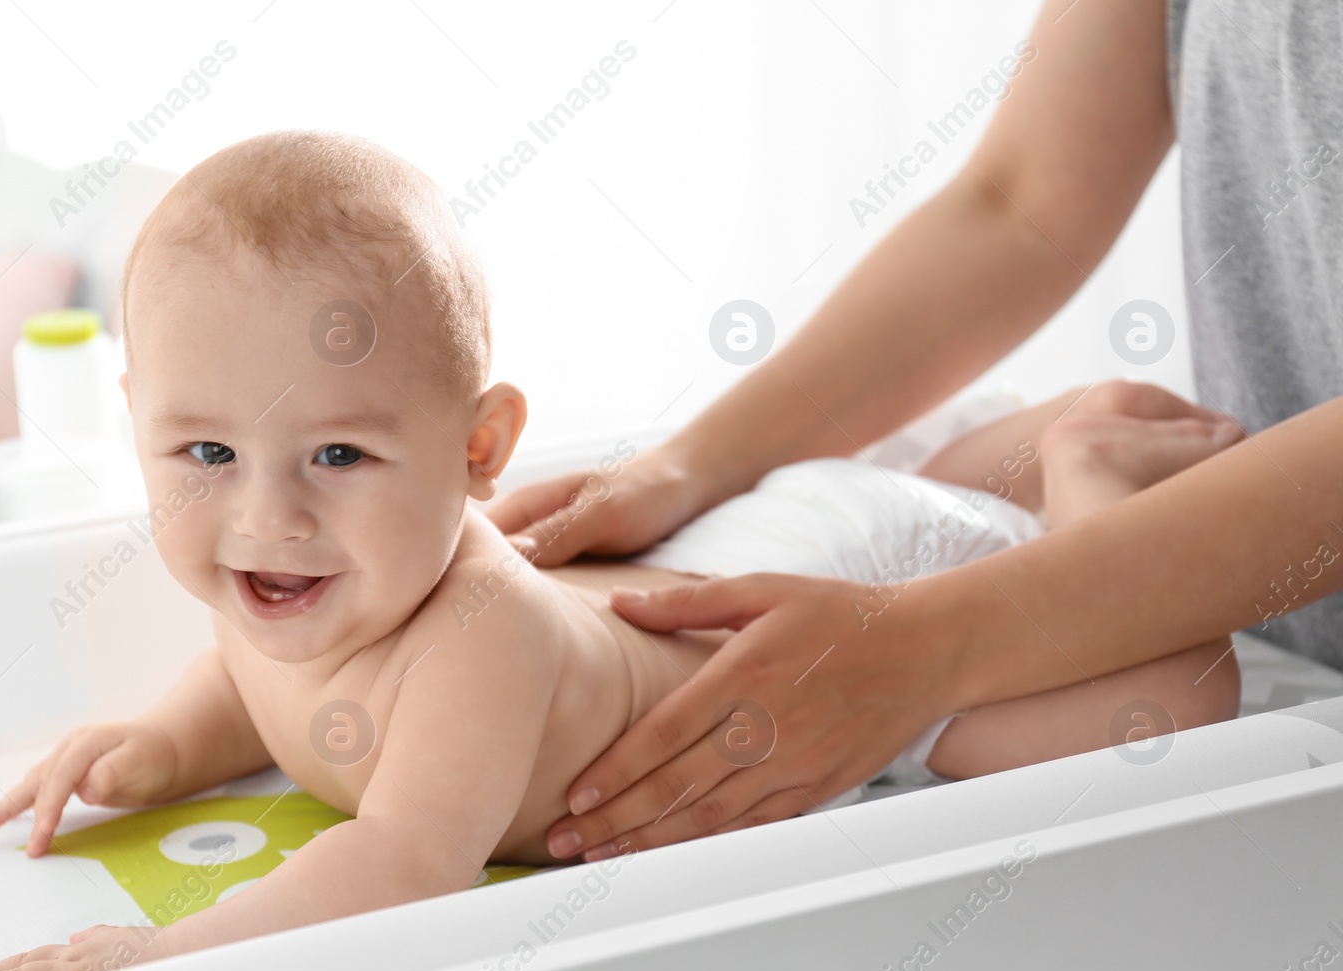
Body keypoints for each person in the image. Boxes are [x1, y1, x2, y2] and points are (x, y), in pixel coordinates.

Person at [0, 130, 1244, 971]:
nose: (265, 515)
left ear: (480, 448)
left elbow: (401, 860)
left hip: (842, 624)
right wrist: (159, 749)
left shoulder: (471, 640)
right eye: (207, 449)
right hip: (737, 552)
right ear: (138, 421)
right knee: (892, 510)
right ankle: (984, 464)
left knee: (1183, 698)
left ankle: (1083, 483)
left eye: (338, 451)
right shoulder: (290, 580)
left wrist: (165, 955)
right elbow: (245, 686)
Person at [489, 0, 1343, 862]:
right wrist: (689, 463)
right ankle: (1084, 461)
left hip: (1176, 567)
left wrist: (923, 651)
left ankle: (1088, 466)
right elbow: (1018, 202)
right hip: (1198, 556)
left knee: (1160, 702)